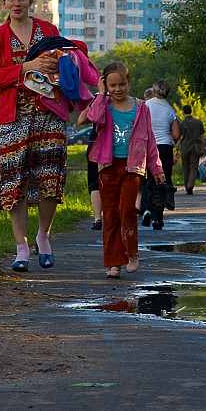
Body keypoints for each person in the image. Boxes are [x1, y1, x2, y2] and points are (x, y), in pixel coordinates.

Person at [0, 0, 66, 273]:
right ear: (5, 4)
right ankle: (21, 247)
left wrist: (57, 65)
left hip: (49, 115)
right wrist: (24, 68)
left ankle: (43, 237)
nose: (17, 3)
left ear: (31, 2)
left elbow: (68, 61)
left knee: (48, 177)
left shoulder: (49, 30)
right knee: (14, 181)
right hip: (13, 118)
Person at [87, 62, 165, 278]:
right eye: (112, 85)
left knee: (127, 210)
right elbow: (93, 118)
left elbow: (149, 140)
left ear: (129, 83)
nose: (118, 89)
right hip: (107, 166)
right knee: (110, 215)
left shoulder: (141, 108)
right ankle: (114, 263)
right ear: (105, 84)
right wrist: (101, 95)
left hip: (133, 167)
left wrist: (156, 168)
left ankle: (132, 254)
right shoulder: (103, 104)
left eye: (122, 84)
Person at [139, 79, 181, 230]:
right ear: (168, 93)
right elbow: (176, 134)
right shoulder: (171, 111)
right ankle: (158, 219)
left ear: (154, 91)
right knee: (162, 182)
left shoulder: (146, 105)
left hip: (147, 146)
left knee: (146, 180)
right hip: (164, 148)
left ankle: (146, 210)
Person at [77, 103, 102, 231]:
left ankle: (97, 218)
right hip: (114, 144)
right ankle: (112, 216)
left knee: (94, 183)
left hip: (94, 143)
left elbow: (81, 120)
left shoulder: (95, 101)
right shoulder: (119, 100)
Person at [178, 104, 206, 195]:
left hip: (185, 148)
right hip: (195, 148)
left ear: (183, 111)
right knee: (193, 168)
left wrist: (176, 149)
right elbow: (202, 136)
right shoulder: (198, 122)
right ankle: (190, 185)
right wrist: (204, 147)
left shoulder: (182, 123)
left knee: (185, 168)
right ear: (191, 111)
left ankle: (187, 187)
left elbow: (179, 137)